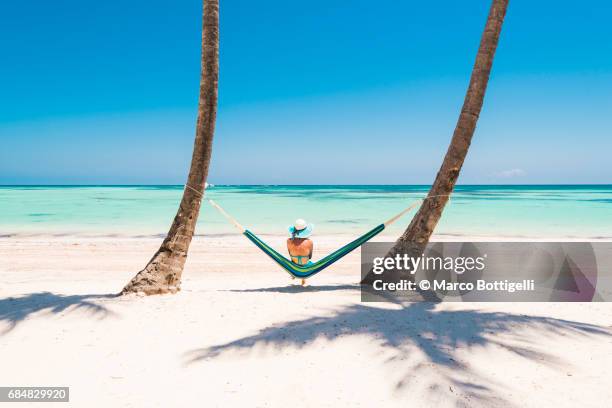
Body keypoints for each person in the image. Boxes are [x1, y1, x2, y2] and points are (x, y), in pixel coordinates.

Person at [287, 219, 314, 285]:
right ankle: (303, 277)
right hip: (305, 265)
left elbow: (290, 254)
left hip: (293, 265)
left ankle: (294, 274)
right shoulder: (309, 242)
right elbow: (310, 256)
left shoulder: (288, 241)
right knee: (310, 262)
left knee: (293, 258)